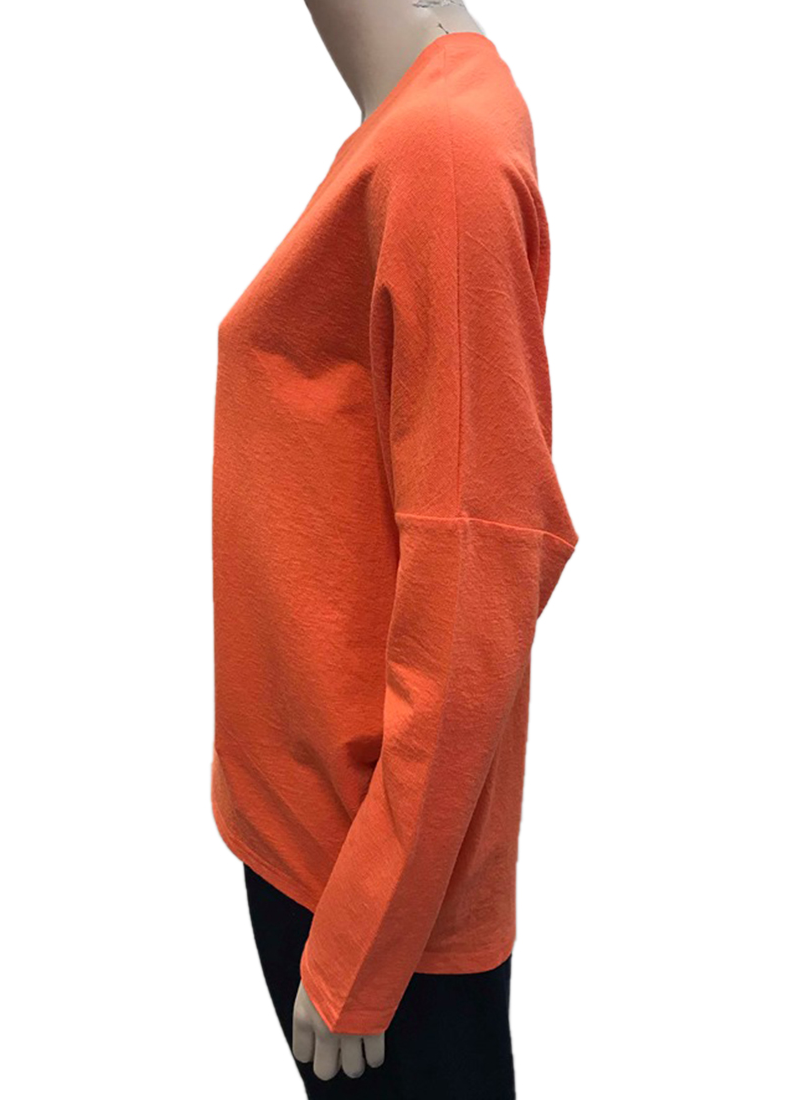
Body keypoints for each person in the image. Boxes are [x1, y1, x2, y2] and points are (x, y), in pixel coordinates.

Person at [211, 2, 579, 1095]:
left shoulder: (443, 152)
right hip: (317, 840)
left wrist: (363, 941)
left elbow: (482, 569)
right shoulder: (415, 126)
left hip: (367, 896)